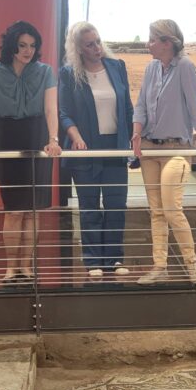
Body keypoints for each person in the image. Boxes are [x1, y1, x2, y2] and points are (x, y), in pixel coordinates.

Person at [0, 21, 61, 283]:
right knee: (13, 209)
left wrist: (53, 139)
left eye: (32, 45)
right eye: (22, 45)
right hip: (5, 136)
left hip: (37, 136)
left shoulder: (45, 72)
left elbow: (51, 109)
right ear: (11, 45)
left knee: (32, 210)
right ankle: (11, 267)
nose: (28, 50)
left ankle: (26, 266)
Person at [132, 19, 196, 286]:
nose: (148, 44)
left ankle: (192, 265)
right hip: (149, 148)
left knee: (171, 208)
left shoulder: (185, 67)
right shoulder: (151, 68)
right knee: (156, 211)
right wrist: (136, 133)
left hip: (177, 149)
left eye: (152, 40)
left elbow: (195, 106)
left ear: (167, 42)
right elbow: (141, 105)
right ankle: (160, 266)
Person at [59, 22, 133, 280]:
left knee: (116, 205)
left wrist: (133, 139)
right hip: (86, 149)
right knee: (89, 206)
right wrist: (76, 137)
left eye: (98, 41)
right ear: (78, 49)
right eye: (90, 44)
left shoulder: (117, 67)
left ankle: (115, 258)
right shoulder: (69, 74)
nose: (97, 48)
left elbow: (127, 108)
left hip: (115, 147)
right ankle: (92, 260)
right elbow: (64, 112)